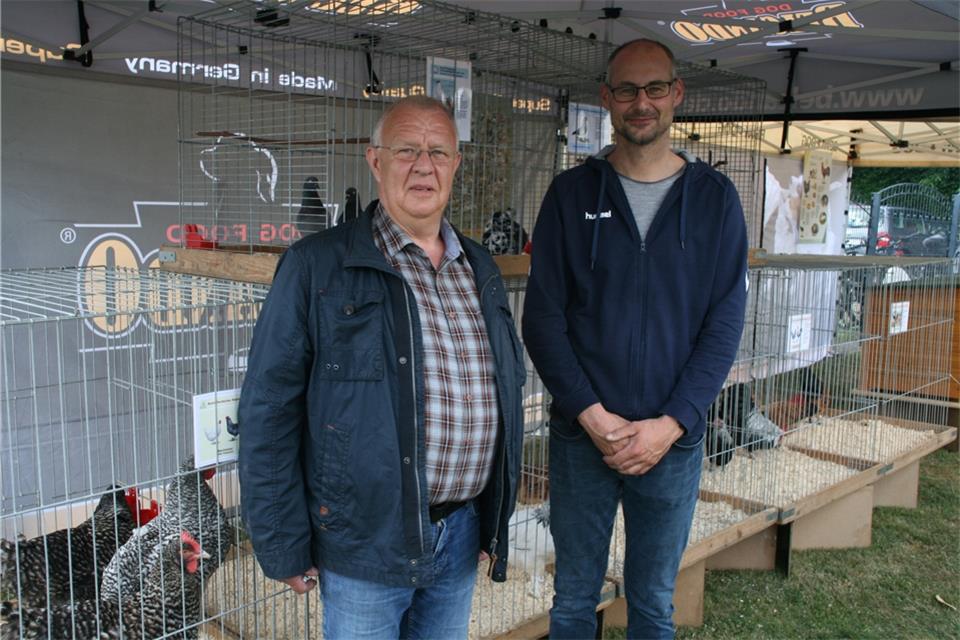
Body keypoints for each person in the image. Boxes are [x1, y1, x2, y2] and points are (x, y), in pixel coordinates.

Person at [238, 95, 524, 640]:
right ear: (375, 161)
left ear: (457, 164)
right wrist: (282, 540)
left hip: (460, 530)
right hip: (363, 540)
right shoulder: (317, 266)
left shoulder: (479, 267)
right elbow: (268, 411)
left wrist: (495, 516)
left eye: (438, 152)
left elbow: (505, 391)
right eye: (406, 150)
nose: (424, 166)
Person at [522, 39, 748, 639]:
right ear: (607, 99)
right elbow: (543, 319)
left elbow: (724, 322)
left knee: (651, 603)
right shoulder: (571, 196)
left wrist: (672, 421)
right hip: (582, 439)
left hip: (671, 443)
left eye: (654, 89)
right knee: (572, 600)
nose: (640, 102)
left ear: (676, 94)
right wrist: (592, 417)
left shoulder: (715, 200)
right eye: (627, 89)